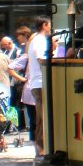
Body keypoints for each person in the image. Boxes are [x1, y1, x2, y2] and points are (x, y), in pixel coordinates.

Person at [26, 16, 51, 155]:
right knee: (42, 117)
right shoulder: (39, 40)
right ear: (44, 25)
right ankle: (41, 149)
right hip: (40, 82)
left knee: (42, 117)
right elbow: (41, 59)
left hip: (39, 82)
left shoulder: (36, 40)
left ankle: (41, 148)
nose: (50, 28)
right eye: (49, 25)